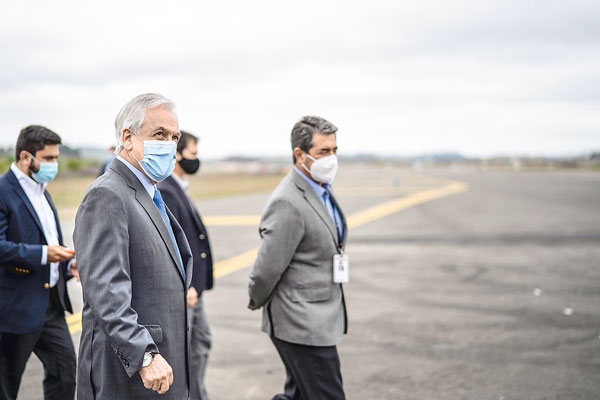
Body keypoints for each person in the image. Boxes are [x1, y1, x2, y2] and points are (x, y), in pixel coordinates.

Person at [73, 93, 192, 399]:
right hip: (131, 372)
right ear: (128, 138)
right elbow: (106, 289)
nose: (169, 144)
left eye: (174, 137)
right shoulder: (108, 195)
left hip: (162, 366)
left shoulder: (148, 191)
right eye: (159, 134)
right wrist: (144, 356)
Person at [248, 116, 349, 400]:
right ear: (299, 155)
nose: (331, 158)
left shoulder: (320, 189)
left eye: (334, 150)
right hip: (301, 323)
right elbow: (265, 270)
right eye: (323, 152)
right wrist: (256, 300)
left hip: (319, 316)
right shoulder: (288, 202)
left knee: (300, 394)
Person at [0, 125, 78, 400]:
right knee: (6, 385)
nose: (53, 165)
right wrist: (45, 254)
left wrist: (67, 265)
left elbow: (49, 240)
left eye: (56, 158)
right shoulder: (2, 190)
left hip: (51, 305)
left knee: (66, 373)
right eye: (48, 159)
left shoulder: (42, 191)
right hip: (16, 307)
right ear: (25, 157)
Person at [158, 130, 214, 400]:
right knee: (185, 353)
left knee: (200, 345)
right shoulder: (167, 190)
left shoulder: (179, 186)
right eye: (192, 154)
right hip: (187, 291)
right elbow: (170, 244)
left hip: (195, 290)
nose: (196, 160)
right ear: (178, 155)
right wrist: (186, 284)